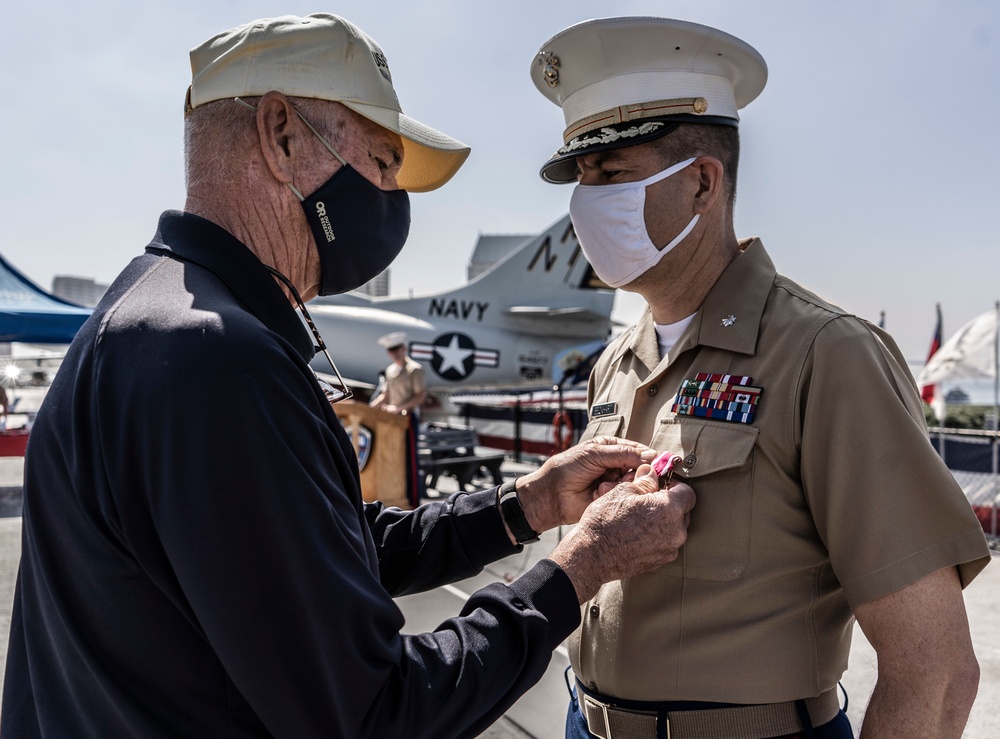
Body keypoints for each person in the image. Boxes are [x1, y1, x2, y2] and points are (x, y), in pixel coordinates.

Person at [0, 14, 697, 738]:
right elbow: (374, 711)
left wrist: (528, 502)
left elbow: (312, 553)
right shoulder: (218, 362)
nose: (395, 195)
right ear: (283, 136)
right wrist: (583, 565)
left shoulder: (153, 316)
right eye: (382, 161)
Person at [529, 16, 991, 739]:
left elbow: (934, 674)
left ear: (702, 185)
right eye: (581, 177)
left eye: (611, 175)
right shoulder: (616, 364)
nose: (586, 204)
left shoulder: (826, 354)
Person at [370, 331, 426, 504]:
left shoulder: (414, 369)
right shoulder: (390, 370)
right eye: (391, 350)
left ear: (404, 348)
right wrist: (371, 409)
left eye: (397, 349)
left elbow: (420, 396)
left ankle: (412, 499)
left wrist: (398, 408)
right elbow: (385, 395)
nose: (394, 353)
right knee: (393, 459)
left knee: (409, 460)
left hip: (406, 419)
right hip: (391, 421)